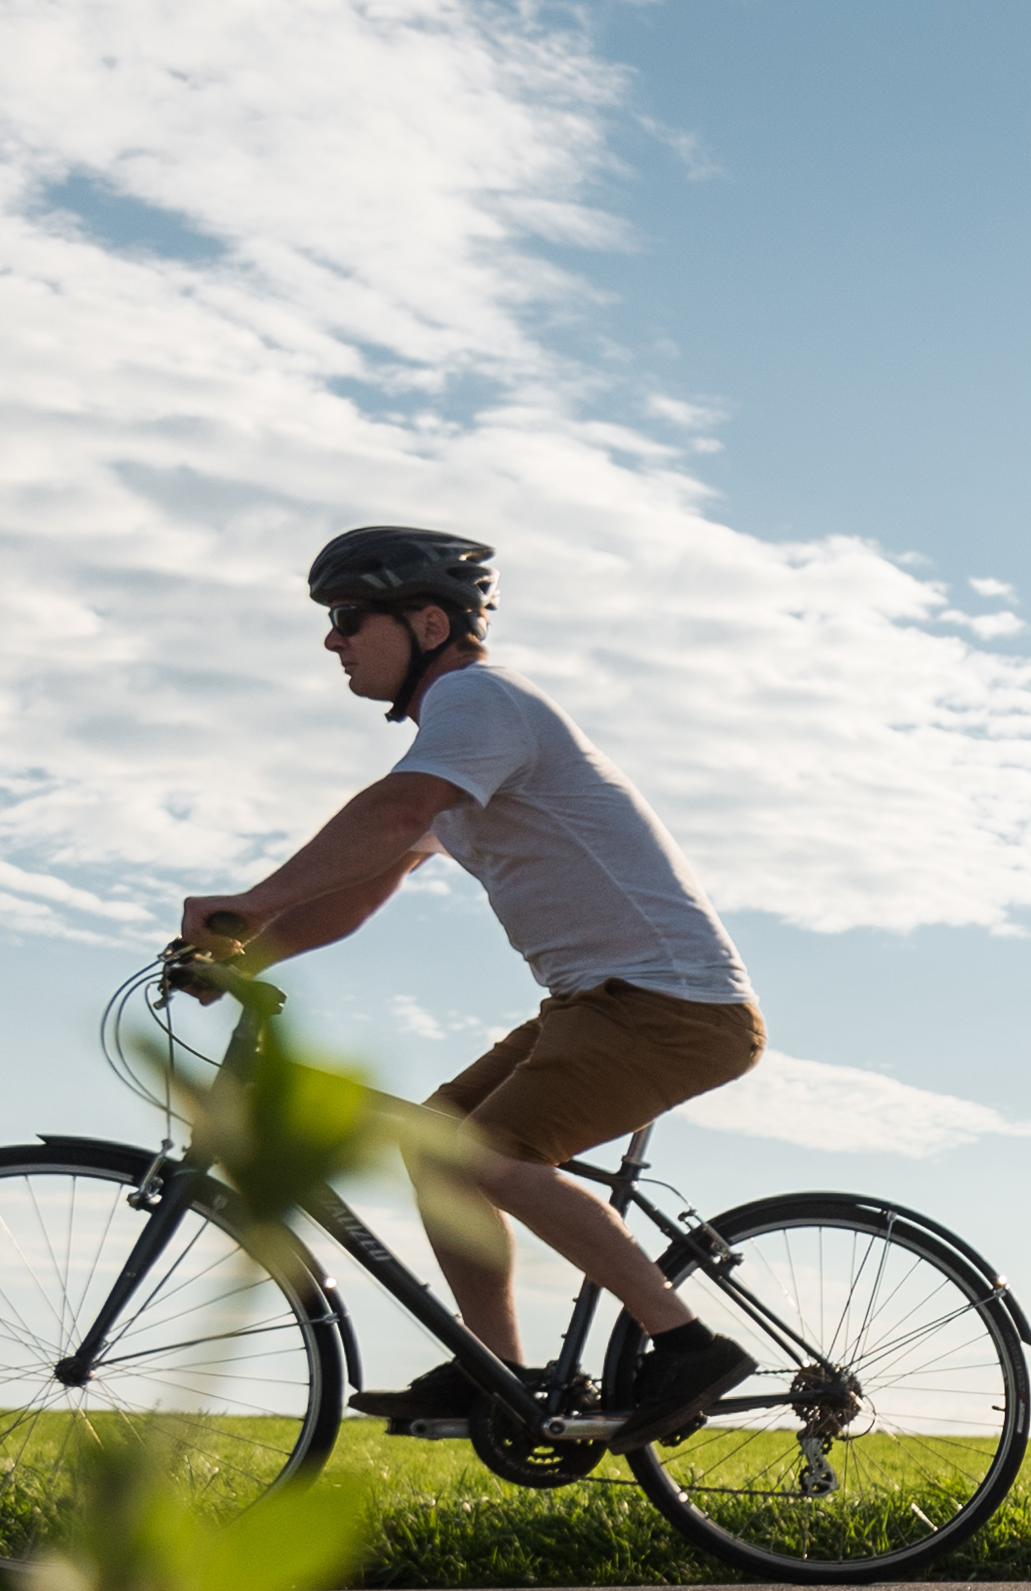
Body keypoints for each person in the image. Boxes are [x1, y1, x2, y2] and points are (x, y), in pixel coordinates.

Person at [173, 526, 764, 1446]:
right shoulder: (458, 739)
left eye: (347, 618)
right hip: (599, 1002)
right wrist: (245, 956)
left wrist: (248, 902)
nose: (332, 640)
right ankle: (501, 1374)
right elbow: (361, 893)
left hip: (673, 1004)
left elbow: (397, 810)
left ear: (430, 621)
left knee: (491, 1151)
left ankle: (686, 1344)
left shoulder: (480, 702)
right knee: (434, 1144)